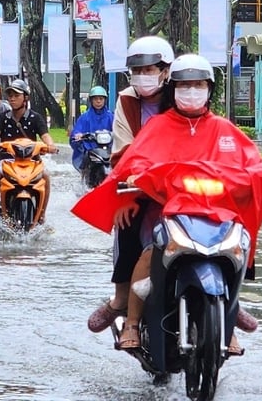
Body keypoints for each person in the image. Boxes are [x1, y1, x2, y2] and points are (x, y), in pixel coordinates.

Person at [104, 54, 262, 355]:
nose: (192, 92)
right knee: (149, 253)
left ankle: (229, 316)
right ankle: (132, 322)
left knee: (238, 246)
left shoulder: (224, 129)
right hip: (166, 209)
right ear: (173, 89)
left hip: (216, 212)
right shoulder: (157, 127)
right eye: (185, 85)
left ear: (209, 89)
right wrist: (128, 190)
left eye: (198, 85)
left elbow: (251, 162)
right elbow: (132, 163)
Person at [87, 35, 175, 333]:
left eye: (150, 69)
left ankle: (230, 307)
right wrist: (137, 175)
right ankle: (122, 298)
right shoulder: (126, 100)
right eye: (138, 70)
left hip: (185, 183)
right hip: (140, 178)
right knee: (126, 221)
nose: (143, 76)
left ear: (166, 70)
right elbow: (124, 148)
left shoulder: (183, 97)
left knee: (232, 225)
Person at [0, 79, 57, 214]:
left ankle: (41, 215)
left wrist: (51, 145)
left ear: (25, 97)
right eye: (10, 96)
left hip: (32, 163)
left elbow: (45, 136)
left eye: (16, 96)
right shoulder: (3, 117)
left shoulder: (35, 118)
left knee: (46, 177)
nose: (12, 99)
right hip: (7, 162)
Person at [70, 86, 114, 171]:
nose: (98, 101)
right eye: (96, 99)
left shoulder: (111, 116)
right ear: (91, 100)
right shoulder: (85, 117)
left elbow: (118, 129)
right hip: (90, 148)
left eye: (101, 99)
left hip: (108, 149)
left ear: (105, 100)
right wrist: (78, 136)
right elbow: (77, 130)